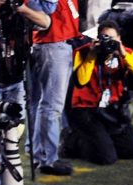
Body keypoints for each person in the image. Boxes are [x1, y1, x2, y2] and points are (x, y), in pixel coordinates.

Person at [0, 0, 51, 185]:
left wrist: (21, 8)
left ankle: (4, 164)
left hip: (15, 80)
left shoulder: (22, 6)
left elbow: (46, 23)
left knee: (15, 127)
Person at [68, 20, 133, 165]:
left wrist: (123, 54)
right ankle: (74, 141)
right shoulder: (83, 52)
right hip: (87, 109)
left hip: (112, 110)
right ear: (97, 38)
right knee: (106, 158)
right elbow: (81, 81)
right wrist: (92, 55)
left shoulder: (127, 53)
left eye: (113, 38)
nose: (109, 42)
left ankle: (103, 139)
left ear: (119, 39)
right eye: (105, 38)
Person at [29, 0, 80, 176]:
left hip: (57, 44)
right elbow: (42, 9)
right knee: (51, 106)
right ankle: (47, 159)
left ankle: (39, 154)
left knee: (42, 104)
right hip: (52, 44)